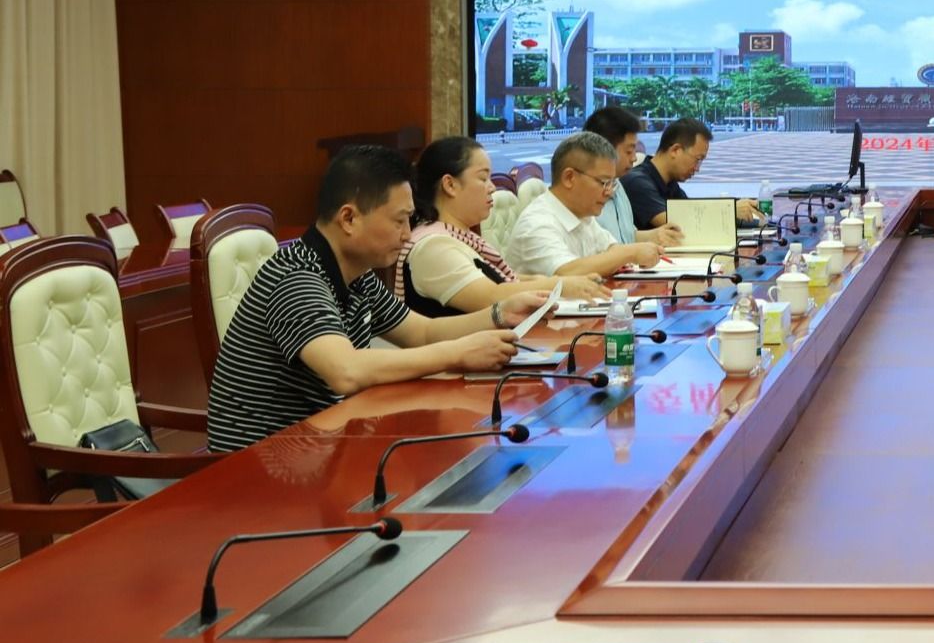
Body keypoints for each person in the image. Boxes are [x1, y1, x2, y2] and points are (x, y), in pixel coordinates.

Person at [207, 146, 538, 453]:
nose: (407, 233)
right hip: (261, 464)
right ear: (349, 219)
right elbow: (346, 370)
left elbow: (422, 332)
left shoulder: (357, 274)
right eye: (399, 220)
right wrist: (458, 353)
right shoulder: (297, 277)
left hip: (322, 444)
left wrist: (499, 314)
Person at [395, 136, 609, 318]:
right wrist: (560, 286)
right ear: (450, 185)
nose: (492, 187)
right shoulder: (433, 246)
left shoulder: (458, 236)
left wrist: (553, 281)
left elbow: (497, 279)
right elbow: (491, 297)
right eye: (483, 178)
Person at [506, 131, 666, 277]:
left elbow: (611, 248)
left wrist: (636, 252)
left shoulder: (581, 214)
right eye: (604, 182)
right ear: (569, 178)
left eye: (612, 183)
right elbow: (566, 273)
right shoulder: (537, 224)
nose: (609, 192)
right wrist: (630, 253)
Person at [622, 118, 758, 230]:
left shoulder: (669, 183)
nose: (697, 168)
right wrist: (729, 211)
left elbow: (693, 212)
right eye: (698, 159)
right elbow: (680, 225)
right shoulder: (637, 182)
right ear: (675, 150)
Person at [582, 105, 685, 248]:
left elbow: (627, 236)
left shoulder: (617, 185)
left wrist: (655, 235)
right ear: (604, 149)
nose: (634, 158)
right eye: (629, 151)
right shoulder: (584, 194)